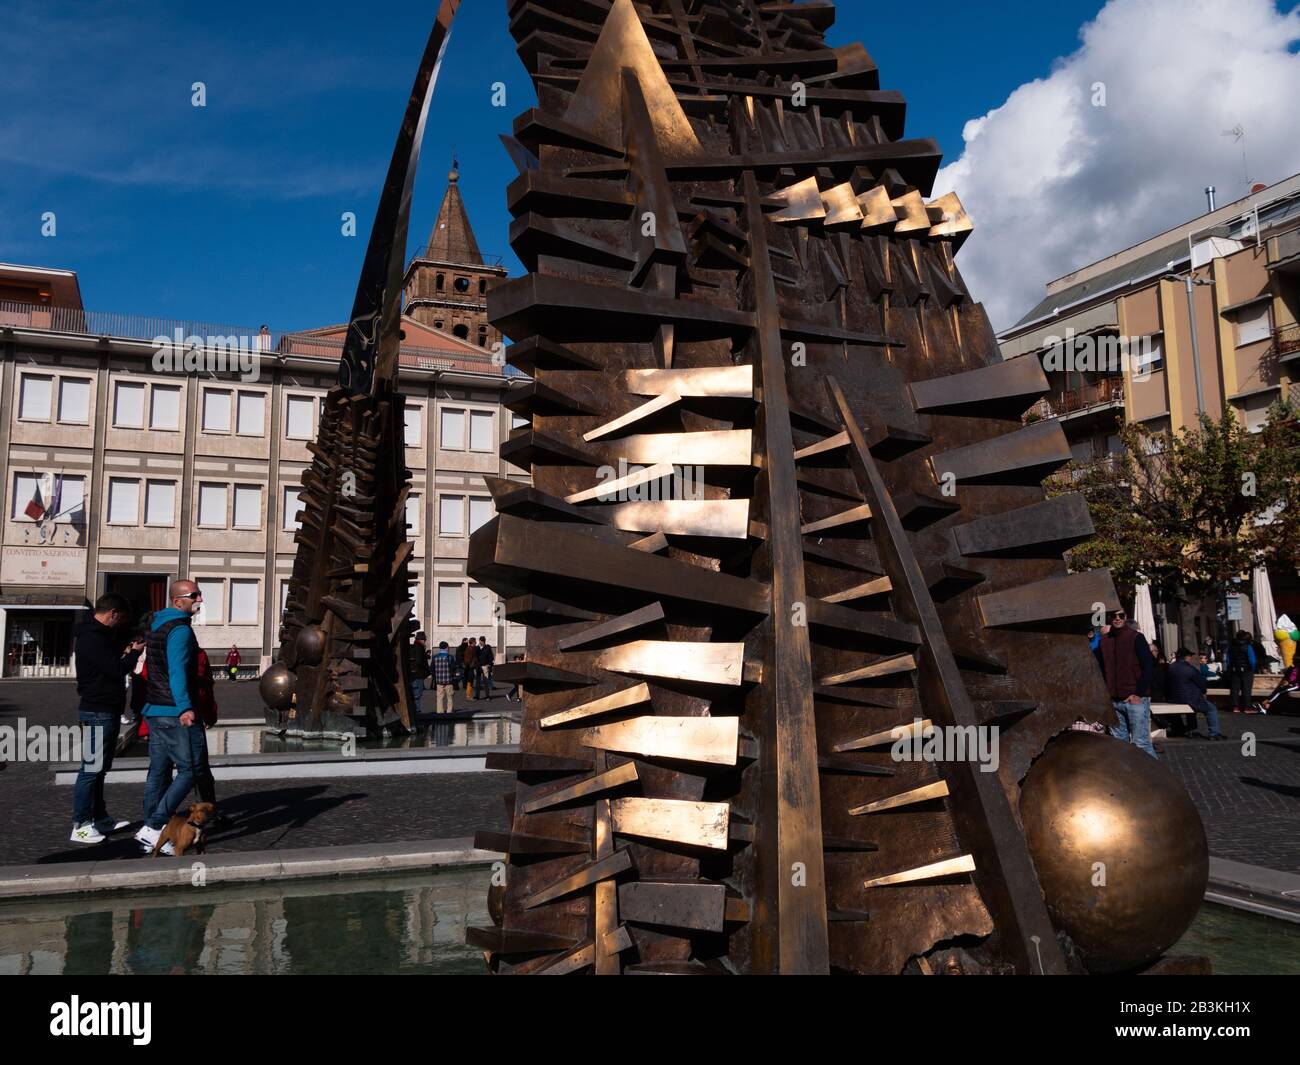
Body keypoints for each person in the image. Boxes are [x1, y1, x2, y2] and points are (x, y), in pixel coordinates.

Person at [134, 580, 204, 856]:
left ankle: (152, 831)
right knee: (189, 770)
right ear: (178, 601)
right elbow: (176, 671)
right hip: (172, 710)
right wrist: (185, 707)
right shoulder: (180, 630)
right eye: (194, 595)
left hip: (154, 709)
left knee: (158, 771)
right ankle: (153, 826)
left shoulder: (157, 624)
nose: (199, 599)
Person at [70, 593, 144, 844]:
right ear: (112, 613)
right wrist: (133, 654)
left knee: (100, 769)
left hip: (105, 709)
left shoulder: (98, 635)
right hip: (98, 709)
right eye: (120, 618)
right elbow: (115, 669)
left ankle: (100, 817)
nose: (120, 624)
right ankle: (80, 825)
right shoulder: (92, 638)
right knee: (91, 769)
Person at [1098, 608, 1157, 758]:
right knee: (1119, 747)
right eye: (1114, 616)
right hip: (1114, 701)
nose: (1117, 619)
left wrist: (1138, 693)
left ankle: (1155, 779)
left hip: (1134, 699)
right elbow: (1099, 666)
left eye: (1121, 616)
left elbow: (1149, 666)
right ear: (1109, 618)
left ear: (1126, 617)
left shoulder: (1136, 637)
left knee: (1141, 744)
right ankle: (1127, 781)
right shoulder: (1105, 640)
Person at [1168, 646, 1225, 740]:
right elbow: (1201, 684)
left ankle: (1192, 730)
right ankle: (1214, 733)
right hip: (1188, 698)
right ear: (1186, 657)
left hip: (1174, 698)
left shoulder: (1171, 668)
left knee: (1191, 708)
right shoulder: (1190, 669)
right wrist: (1203, 691)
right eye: (1190, 656)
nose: (1191, 658)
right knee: (1211, 709)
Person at [1227, 629, 1258, 714]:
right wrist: (1253, 668)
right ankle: (1247, 707)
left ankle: (1235, 706)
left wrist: (1230, 668)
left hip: (1235, 670)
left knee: (1235, 688)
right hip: (1247, 670)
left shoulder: (1231, 646)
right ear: (1244, 637)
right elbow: (1252, 660)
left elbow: (1228, 659)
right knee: (1246, 689)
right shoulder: (1247, 646)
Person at [432, 640, 456, 714]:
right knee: (450, 697)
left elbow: (432, 669)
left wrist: (435, 676)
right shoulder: (450, 657)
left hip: (439, 680)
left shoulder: (435, 657)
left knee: (439, 697)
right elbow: (453, 668)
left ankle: (440, 712)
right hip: (449, 680)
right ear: (446, 647)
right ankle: (449, 711)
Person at [409, 632, 430, 710]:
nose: (425, 641)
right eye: (424, 639)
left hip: (416, 673)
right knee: (417, 694)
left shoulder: (416, 646)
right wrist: (425, 669)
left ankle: (416, 710)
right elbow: (419, 661)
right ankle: (416, 710)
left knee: (416, 693)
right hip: (418, 674)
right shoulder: (419, 647)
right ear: (421, 640)